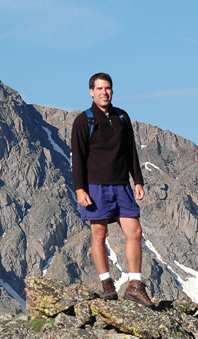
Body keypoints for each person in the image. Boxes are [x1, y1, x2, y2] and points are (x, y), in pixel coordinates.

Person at [71, 72, 152, 307]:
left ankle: (135, 284)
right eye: (99, 89)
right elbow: (78, 158)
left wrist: (138, 180)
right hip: (95, 187)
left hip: (121, 186)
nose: (104, 92)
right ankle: (106, 284)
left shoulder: (122, 117)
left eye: (107, 88)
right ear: (91, 92)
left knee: (134, 231)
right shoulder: (83, 120)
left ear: (112, 91)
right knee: (99, 233)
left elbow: (131, 151)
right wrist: (79, 189)